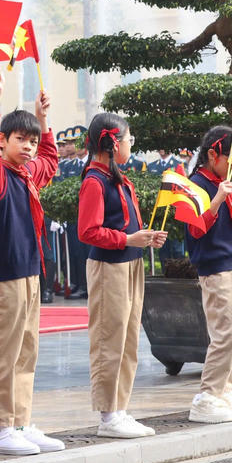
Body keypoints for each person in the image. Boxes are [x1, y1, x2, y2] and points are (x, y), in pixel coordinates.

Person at [0, 64, 62, 456]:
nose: (28, 146)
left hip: (30, 273)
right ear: (3, 141)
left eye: (31, 140)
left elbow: (50, 158)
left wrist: (44, 120)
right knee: (4, 352)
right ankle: (1, 429)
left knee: (27, 352)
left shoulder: (27, 174)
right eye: (20, 139)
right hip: (7, 275)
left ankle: (22, 421)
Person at [76, 113, 166, 438]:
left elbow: (125, 225)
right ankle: (107, 415)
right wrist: (127, 239)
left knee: (128, 340)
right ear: (113, 143)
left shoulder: (117, 178)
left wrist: (145, 237)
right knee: (108, 339)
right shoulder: (94, 181)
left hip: (130, 263)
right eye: (129, 139)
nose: (132, 144)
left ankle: (120, 408)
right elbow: (88, 231)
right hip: (109, 267)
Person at [185, 126, 232, 424]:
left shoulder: (221, 182)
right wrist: (216, 199)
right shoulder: (195, 184)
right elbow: (194, 228)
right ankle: (206, 395)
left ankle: (224, 391)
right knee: (224, 334)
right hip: (215, 267)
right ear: (213, 153)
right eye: (229, 158)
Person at [58, 127, 87, 299]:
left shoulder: (92, 164)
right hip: (72, 216)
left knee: (87, 252)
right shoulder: (70, 166)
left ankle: (87, 285)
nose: (75, 145)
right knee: (75, 252)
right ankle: (78, 283)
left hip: (88, 215)